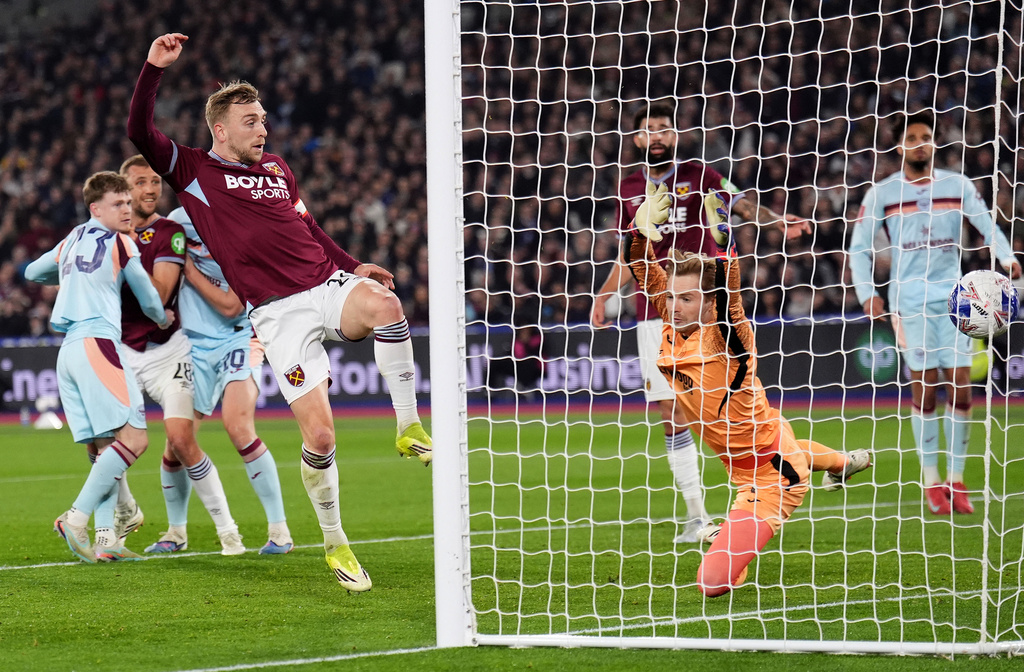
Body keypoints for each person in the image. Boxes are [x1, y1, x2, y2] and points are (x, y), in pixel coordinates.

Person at [128, 33, 431, 592]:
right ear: (220, 130)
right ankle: (336, 542)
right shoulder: (194, 170)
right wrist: (153, 69)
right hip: (276, 314)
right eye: (250, 122)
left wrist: (353, 263)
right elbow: (139, 132)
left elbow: (308, 227)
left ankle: (408, 425)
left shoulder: (278, 170)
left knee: (387, 305)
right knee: (320, 438)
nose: (262, 129)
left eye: (264, 119)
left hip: (325, 284)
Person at [625, 184, 871, 596]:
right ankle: (842, 462)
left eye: (686, 298)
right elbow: (642, 272)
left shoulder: (725, 338)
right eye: (670, 296)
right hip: (758, 439)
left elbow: (731, 301)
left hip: (771, 479)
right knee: (783, 440)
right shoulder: (672, 321)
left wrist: (726, 253)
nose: (673, 304)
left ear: (707, 304)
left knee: (713, 584)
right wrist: (638, 232)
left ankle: (742, 531)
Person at [591, 101, 810, 544]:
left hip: (706, 308)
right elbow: (627, 249)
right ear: (637, 140)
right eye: (649, 129)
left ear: (675, 136)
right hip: (654, 310)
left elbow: (743, 204)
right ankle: (697, 515)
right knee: (671, 415)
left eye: (664, 128)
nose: (657, 135)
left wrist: (777, 222)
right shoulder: (628, 187)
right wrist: (606, 292)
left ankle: (789, 472)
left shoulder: (700, 174)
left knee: (732, 412)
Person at [848, 110, 1021, 516]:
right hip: (907, 300)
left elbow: (987, 226)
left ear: (934, 143)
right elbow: (859, 247)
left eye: (926, 136)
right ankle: (931, 480)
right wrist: (866, 292)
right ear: (899, 145)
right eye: (912, 137)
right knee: (924, 388)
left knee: (961, 386)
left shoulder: (957, 185)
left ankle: (956, 479)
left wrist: (1008, 258)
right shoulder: (882, 193)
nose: (920, 143)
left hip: (957, 299)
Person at [24, 171, 173, 562]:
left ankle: (108, 540)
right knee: (135, 440)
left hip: (68, 350)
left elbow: (31, 272)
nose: (127, 209)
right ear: (96, 208)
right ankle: (75, 518)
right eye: (118, 204)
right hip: (99, 344)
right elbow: (148, 297)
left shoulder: (72, 238)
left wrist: (71, 272)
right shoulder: (122, 243)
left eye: (128, 202)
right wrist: (161, 319)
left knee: (105, 445)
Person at [116, 155, 245, 556]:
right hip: (120, 351)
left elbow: (159, 294)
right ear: (123, 192)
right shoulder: (103, 235)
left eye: (155, 181)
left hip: (168, 353)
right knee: (103, 441)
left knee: (180, 439)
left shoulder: (170, 233)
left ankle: (229, 533)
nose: (151, 189)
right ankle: (120, 522)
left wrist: (119, 263)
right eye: (141, 183)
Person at [168, 204, 293, 554]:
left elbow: (231, 306)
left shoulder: (245, 224)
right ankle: (175, 533)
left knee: (238, 425)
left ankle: (280, 531)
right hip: (191, 345)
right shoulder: (177, 222)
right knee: (177, 441)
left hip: (239, 337)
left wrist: (189, 271)